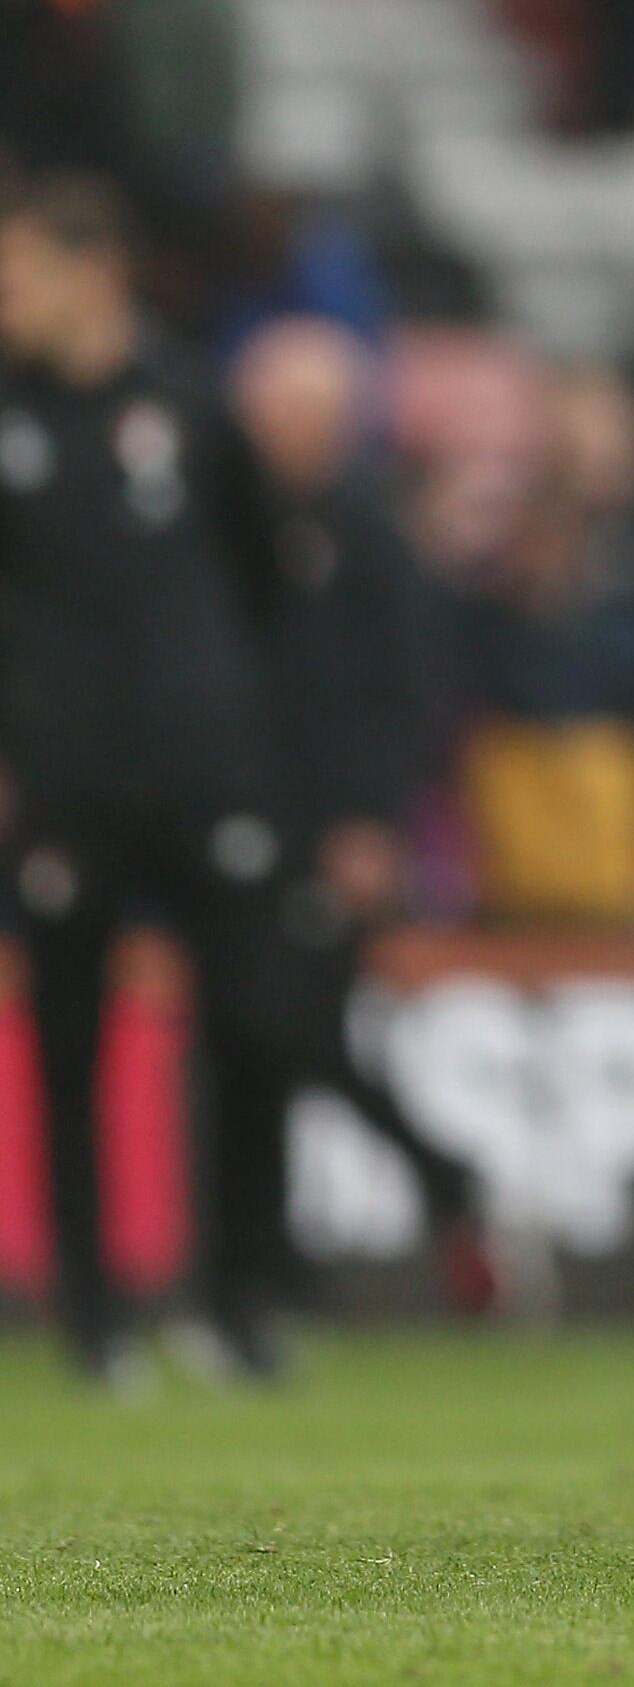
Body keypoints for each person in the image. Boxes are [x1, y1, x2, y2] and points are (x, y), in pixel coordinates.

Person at [0, 174, 300, 1388]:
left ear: (92, 270)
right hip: (66, 786)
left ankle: (240, 1304)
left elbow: (264, 579)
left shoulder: (193, 405)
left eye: (17, 275)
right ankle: (96, 1318)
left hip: (209, 774)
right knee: (65, 1047)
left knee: (253, 1030)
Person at [227, 317, 497, 1322]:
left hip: (331, 829)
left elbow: (411, 693)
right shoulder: (233, 528)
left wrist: (375, 820)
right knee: (258, 1038)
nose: (288, 433)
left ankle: (434, 1184)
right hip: (240, 818)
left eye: (308, 414)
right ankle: (271, 1259)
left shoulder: (369, 539)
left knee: (286, 1029)